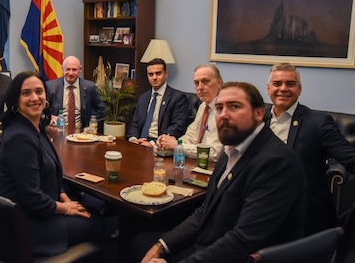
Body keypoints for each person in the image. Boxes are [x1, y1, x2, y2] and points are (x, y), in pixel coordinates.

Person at [134, 81, 306, 263]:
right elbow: (205, 211)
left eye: (234, 107)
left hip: (240, 256)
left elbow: (243, 240)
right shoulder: (231, 149)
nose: (223, 115)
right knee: (142, 243)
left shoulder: (277, 163)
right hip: (209, 242)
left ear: (258, 113)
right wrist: (161, 245)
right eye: (219, 108)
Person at [0, 71, 103, 256]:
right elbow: (33, 199)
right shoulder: (19, 137)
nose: (34, 98)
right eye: (26, 93)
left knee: (94, 208)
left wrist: (66, 200)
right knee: (98, 223)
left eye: (39, 91)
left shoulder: (36, 127)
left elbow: (51, 175)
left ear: (46, 96)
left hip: (41, 210)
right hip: (29, 224)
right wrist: (67, 209)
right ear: (16, 100)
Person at [266, 62, 355, 235]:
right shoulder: (258, 120)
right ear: (268, 88)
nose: (283, 89)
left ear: (299, 89)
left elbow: (350, 158)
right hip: (263, 209)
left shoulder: (318, 123)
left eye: (290, 84)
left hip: (305, 217)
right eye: (277, 84)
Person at [157, 64, 223, 161]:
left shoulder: (224, 111)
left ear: (219, 83)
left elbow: (214, 154)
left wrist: (177, 146)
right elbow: (191, 136)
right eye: (196, 83)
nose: (200, 87)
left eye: (205, 81)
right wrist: (170, 142)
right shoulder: (203, 106)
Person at [127, 58, 190, 147]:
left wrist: (153, 143)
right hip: (140, 144)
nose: (154, 77)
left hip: (159, 146)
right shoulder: (143, 98)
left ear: (166, 74)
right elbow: (134, 123)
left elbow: (177, 127)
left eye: (158, 73)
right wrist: (133, 139)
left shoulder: (178, 97)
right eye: (151, 74)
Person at [46, 56, 105, 129]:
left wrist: (92, 124)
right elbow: (42, 109)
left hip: (82, 133)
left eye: (74, 70)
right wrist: (51, 116)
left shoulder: (90, 87)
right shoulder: (51, 86)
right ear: (62, 69)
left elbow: (101, 109)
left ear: (80, 69)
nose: (70, 73)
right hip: (58, 131)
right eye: (67, 69)